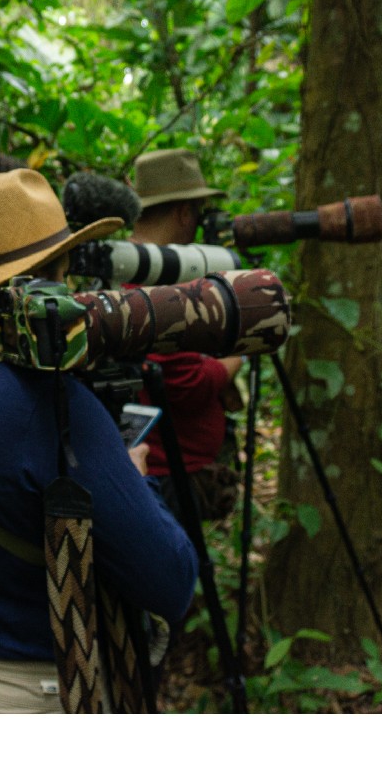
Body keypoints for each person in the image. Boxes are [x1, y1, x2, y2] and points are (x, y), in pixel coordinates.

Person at [0, 168, 198, 713]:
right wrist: (136, 478)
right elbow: (171, 579)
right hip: (7, 696)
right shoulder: (46, 407)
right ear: (51, 284)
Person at [130, 148, 244, 521]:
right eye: (196, 212)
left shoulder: (127, 264)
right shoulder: (155, 281)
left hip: (163, 463)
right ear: (183, 212)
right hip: (170, 474)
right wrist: (234, 358)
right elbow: (187, 382)